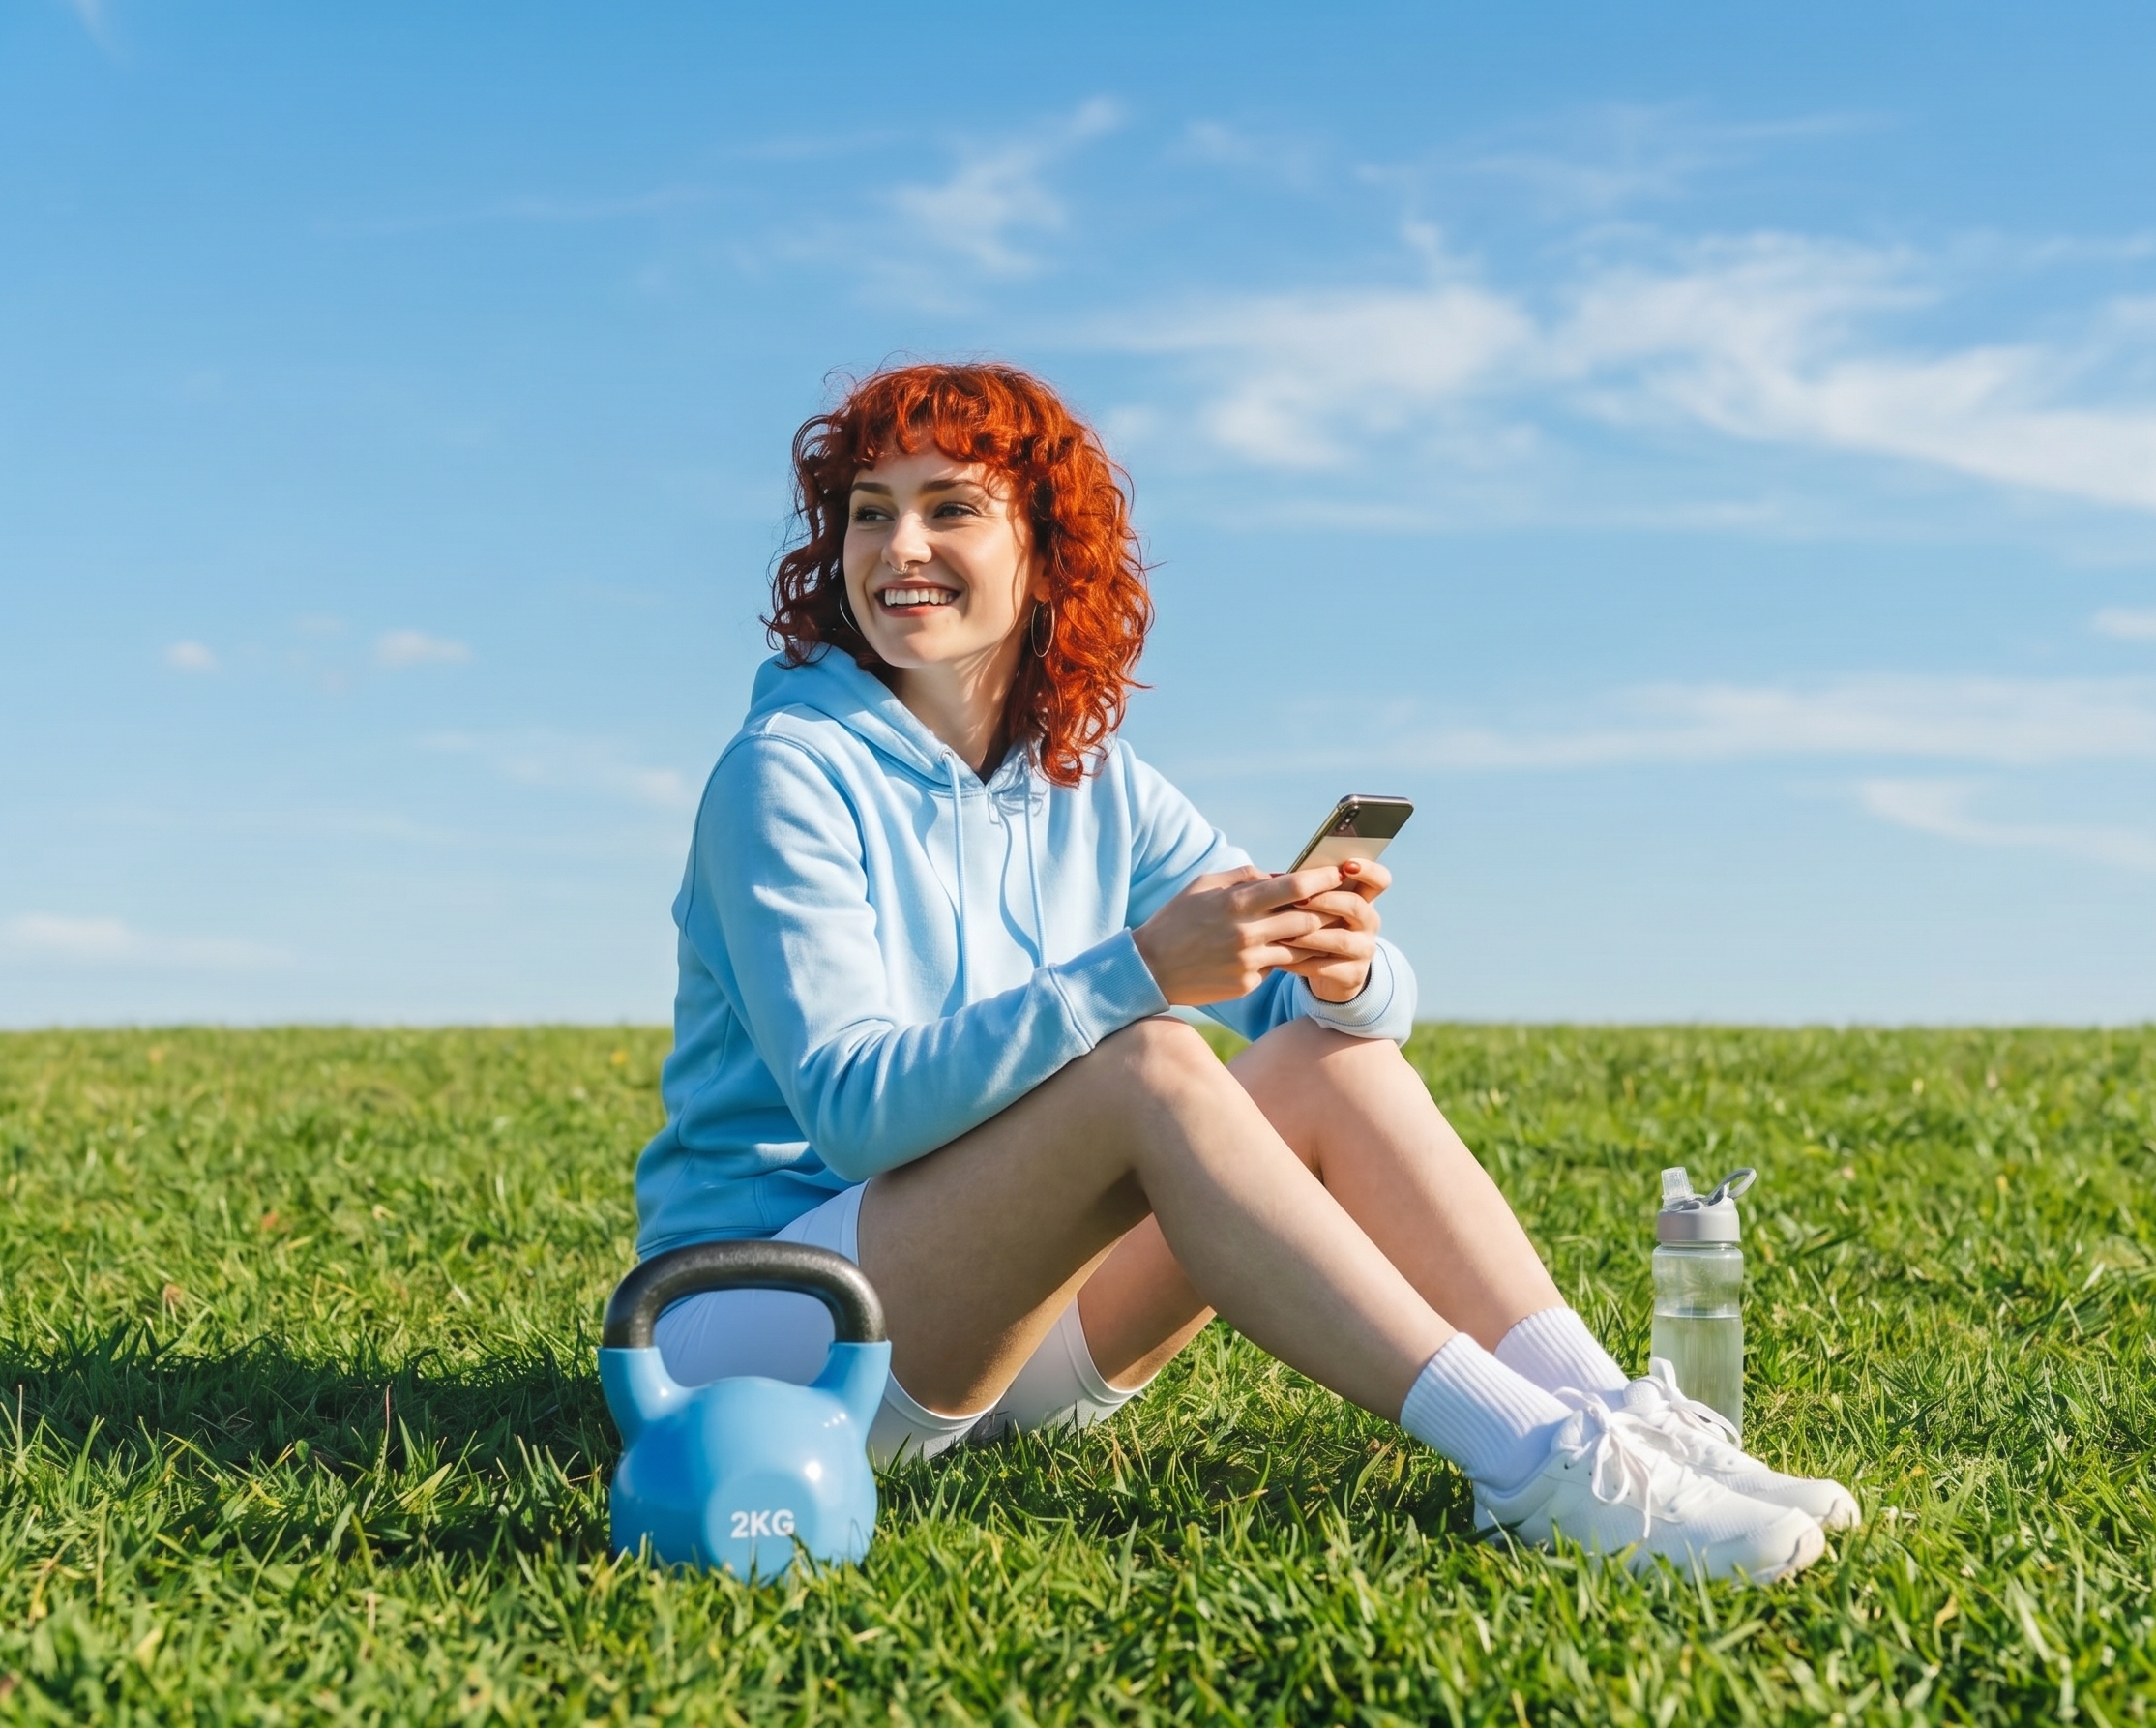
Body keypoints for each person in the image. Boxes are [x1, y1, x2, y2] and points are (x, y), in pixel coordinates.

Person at [634, 362, 1857, 1583]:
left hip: (1016, 1337)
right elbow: (857, 1113)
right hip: (777, 1337)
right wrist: (1138, 971)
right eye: (869, 510)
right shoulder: (784, 775)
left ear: (1047, 549)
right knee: (1151, 1063)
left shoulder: (1086, 779)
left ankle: (1621, 1431)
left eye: (950, 507)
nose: (900, 545)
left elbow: (1338, 1016)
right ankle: (1534, 1466)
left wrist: (1338, 972)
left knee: (1333, 1067)